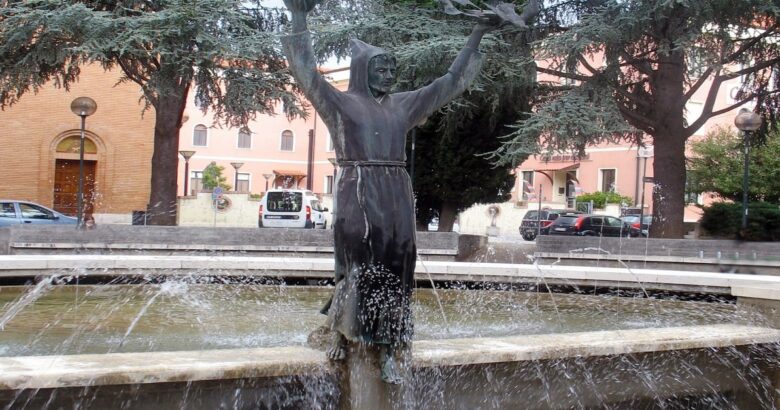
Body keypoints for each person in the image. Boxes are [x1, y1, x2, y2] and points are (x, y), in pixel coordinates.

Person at [281, 0, 500, 384]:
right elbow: (306, 73)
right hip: (358, 187)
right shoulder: (340, 103)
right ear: (363, 71)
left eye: (392, 69)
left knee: (399, 262)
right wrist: (299, 17)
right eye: (380, 68)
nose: (388, 75)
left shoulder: (403, 105)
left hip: (396, 190)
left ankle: (392, 344)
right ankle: (341, 330)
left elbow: (450, 82)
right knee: (358, 258)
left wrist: (477, 33)